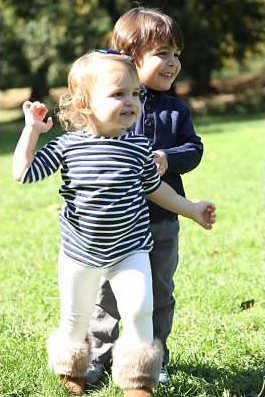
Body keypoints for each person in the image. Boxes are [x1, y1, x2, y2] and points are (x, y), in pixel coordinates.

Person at [12, 51, 215, 397]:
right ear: (84, 103)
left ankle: (137, 378)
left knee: (140, 308)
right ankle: (71, 369)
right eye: (118, 94)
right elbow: (23, 173)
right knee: (76, 317)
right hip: (80, 253)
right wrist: (31, 131)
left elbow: (155, 189)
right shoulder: (67, 146)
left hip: (130, 250)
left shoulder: (137, 147)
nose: (131, 101)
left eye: (135, 93)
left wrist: (190, 208)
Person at [87, 7, 204, 385]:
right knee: (106, 295)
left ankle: (151, 359)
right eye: (162, 54)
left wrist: (168, 158)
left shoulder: (176, 110)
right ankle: (98, 357)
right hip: (117, 222)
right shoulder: (115, 105)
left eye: (176, 54)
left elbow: (195, 149)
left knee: (158, 294)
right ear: (133, 58)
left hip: (162, 222)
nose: (173, 63)